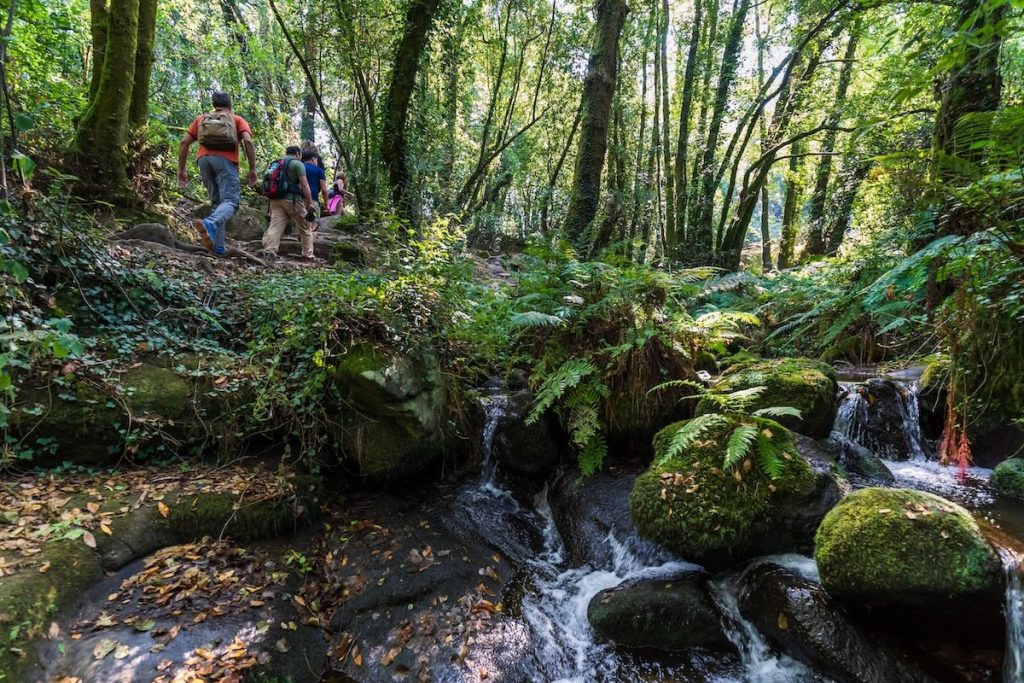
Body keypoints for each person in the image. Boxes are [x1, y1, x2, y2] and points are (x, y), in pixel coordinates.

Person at [177, 91, 257, 256]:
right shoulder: (237, 119)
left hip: (204, 160)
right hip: (226, 161)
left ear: (214, 105)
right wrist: (252, 169)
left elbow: (184, 142)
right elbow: (248, 141)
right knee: (231, 202)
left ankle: (218, 248)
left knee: (218, 204)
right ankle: (210, 223)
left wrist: (182, 169)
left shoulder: (201, 119)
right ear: (230, 105)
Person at [261, 145, 316, 260]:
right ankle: (308, 254)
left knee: (275, 226)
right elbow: (305, 185)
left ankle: (269, 250)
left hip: (275, 200)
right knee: (305, 226)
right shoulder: (297, 164)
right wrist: (310, 203)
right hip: (292, 200)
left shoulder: (276, 163)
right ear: (297, 153)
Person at [302, 150, 329, 227]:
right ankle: (310, 238)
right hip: (313, 200)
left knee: (301, 226)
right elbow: (324, 190)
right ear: (313, 159)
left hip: (298, 199)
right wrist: (327, 204)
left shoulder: (300, 168)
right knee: (312, 225)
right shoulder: (319, 171)